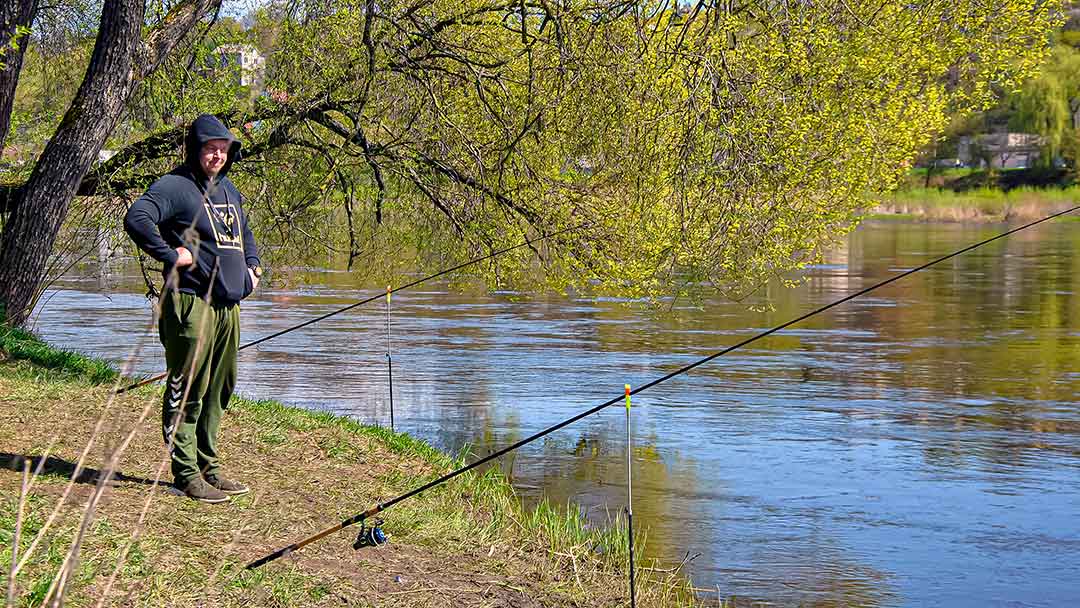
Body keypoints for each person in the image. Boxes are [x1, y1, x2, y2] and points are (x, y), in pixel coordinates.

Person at [124, 114, 264, 503]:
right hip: (191, 303)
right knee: (189, 387)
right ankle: (185, 473)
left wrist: (253, 268)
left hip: (227, 307)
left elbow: (245, 232)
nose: (217, 155)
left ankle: (208, 467)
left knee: (220, 387)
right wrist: (171, 255)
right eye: (210, 148)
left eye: (223, 149)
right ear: (196, 149)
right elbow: (137, 218)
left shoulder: (228, 189)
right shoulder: (176, 186)